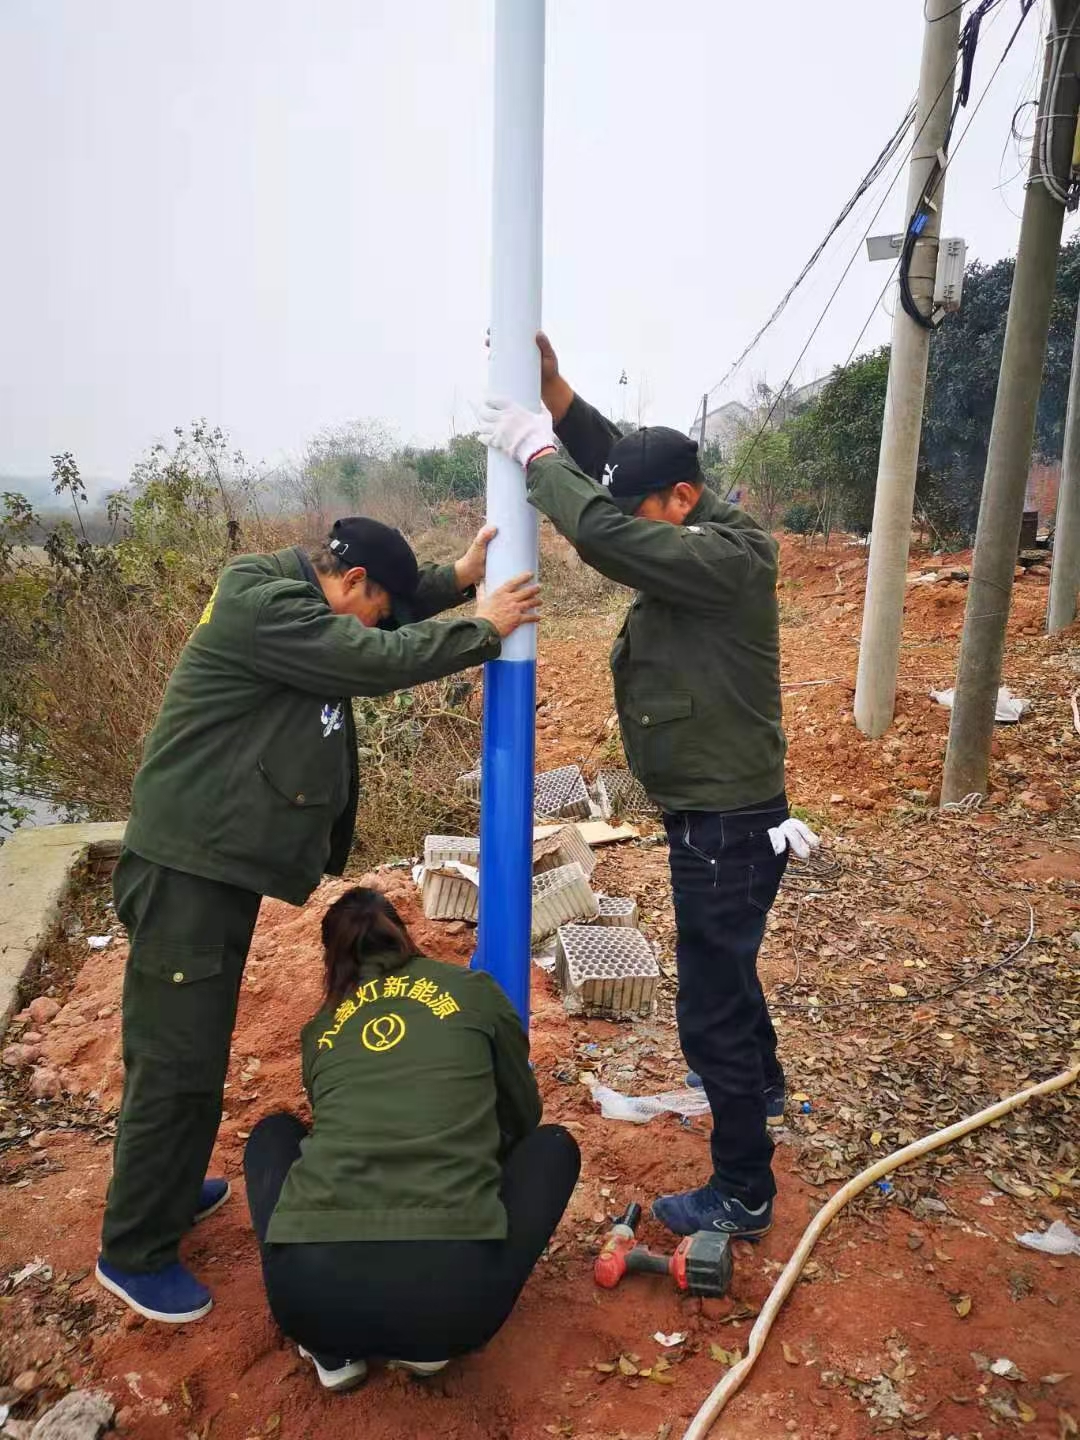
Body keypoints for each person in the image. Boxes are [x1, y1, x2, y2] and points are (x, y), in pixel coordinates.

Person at [96, 517, 541, 1323]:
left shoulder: (302, 595)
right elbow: (367, 655)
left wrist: (458, 575)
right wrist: (484, 630)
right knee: (175, 1060)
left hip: (212, 866)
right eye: (379, 603)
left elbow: (376, 622)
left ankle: (166, 1186)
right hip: (186, 875)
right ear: (354, 581)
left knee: (197, 1040)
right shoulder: (269, 609)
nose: (380, 617)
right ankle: (133, 1248)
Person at [478, 338, 817, 1241]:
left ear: (685, 501)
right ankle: (766, 1087)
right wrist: (556, 397)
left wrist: (538, 457)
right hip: (723, 811)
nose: (640, 514)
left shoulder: (720, 559)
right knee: (726, 966)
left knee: (708, 1000)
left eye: (651, 508)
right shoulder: (696, 520)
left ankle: (743, 1190)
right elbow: (628, 469)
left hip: (726, 820)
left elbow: (607, 531)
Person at [243, 886, 581, 1392]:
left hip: (308, 1304)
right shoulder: (473, 990)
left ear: (331, 958)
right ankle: (424, 1353)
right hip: (450, 1308)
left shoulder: (320, 1029)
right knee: (553, 1146)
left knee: (274, 1134)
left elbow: (336, 1118)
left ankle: (333, 1356)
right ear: (401, 934)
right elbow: (524, 1114)